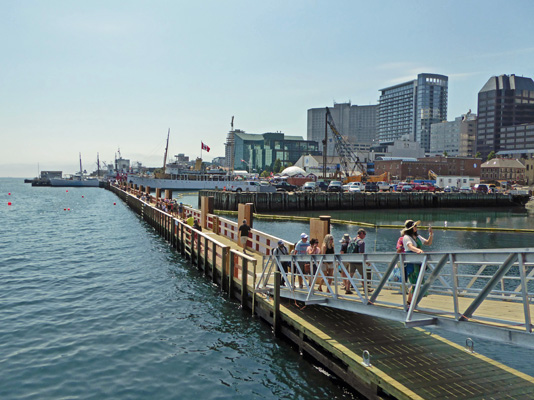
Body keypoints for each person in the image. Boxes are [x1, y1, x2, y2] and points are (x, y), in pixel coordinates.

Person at [401, 220, 433, 305]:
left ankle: (410, 302)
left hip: (418, 262)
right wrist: (418, 250)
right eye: (415, 226)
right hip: (411, 262)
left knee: (418, 282)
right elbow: (410, 246)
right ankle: (411, 302)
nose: (416, 228)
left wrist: (431, 234)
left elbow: (428, 243)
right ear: (411, 228)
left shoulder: (417, 236)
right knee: (414, 281)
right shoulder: (406, 237)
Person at [351, 229, 372, 294]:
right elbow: (361, 253)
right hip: (358, 261)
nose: (365, 236)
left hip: (351, 259)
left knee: (350, 275)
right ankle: (365, 288)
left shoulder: (352, 240)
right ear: (362, 233)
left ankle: (347, 288)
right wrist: (366, 262)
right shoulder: (361, 242)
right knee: (364, 274)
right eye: (365, 234)